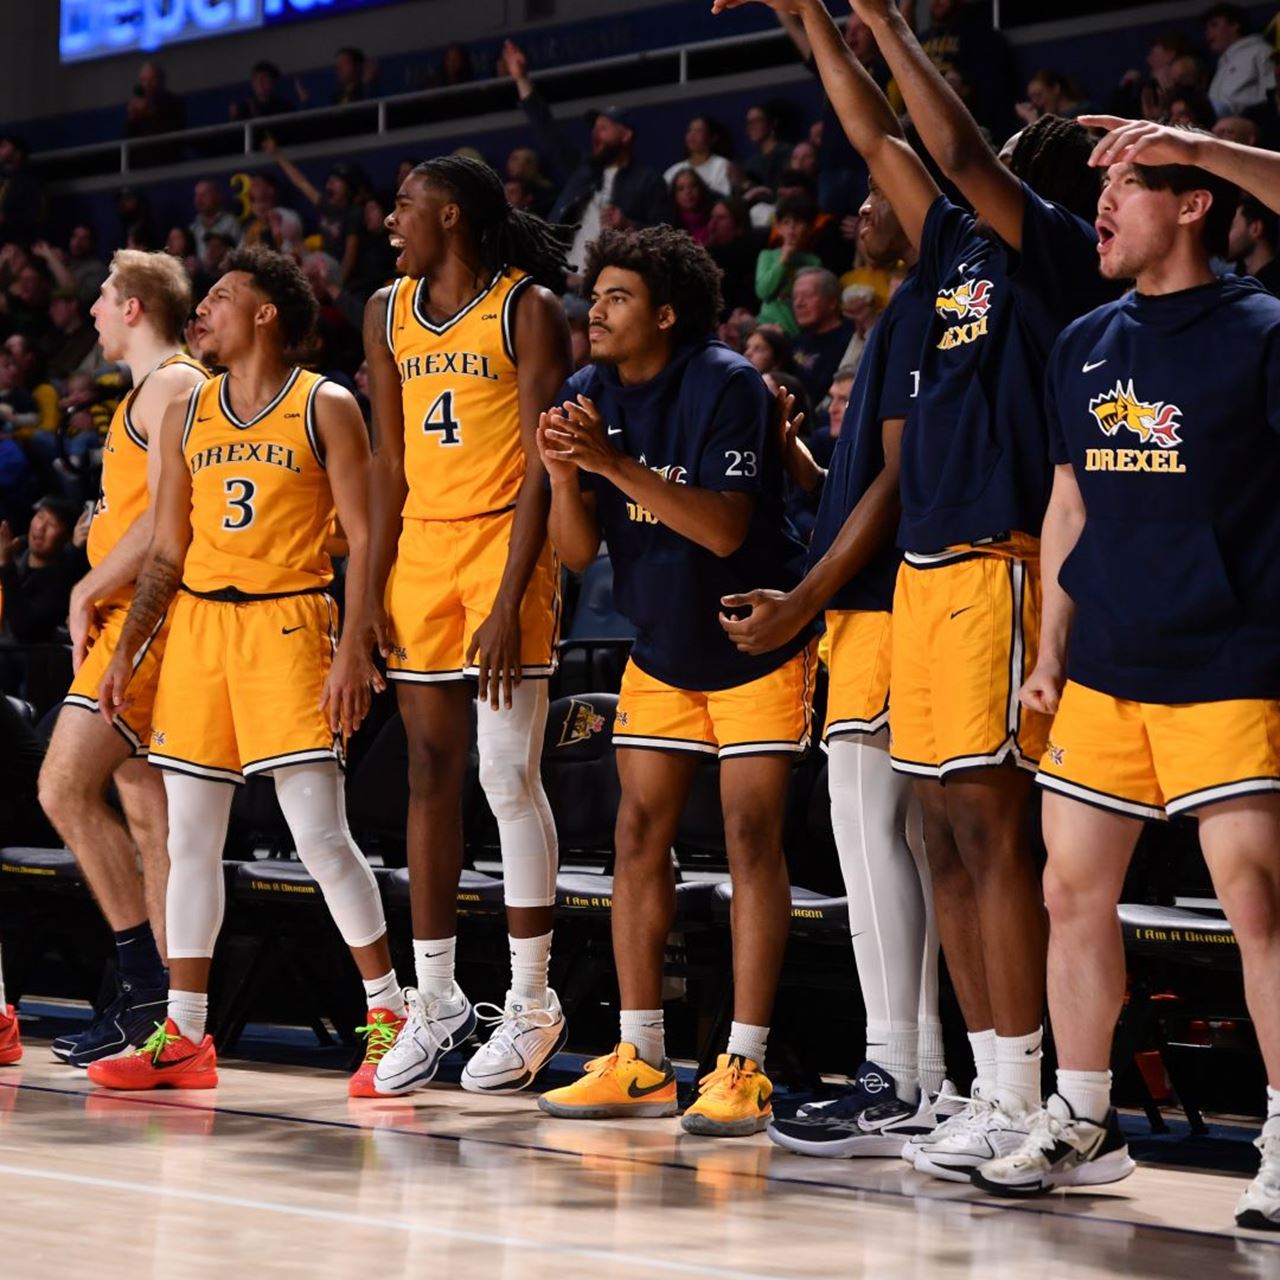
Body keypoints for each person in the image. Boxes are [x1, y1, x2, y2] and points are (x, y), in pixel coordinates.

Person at [715, 0, 1114, 1175]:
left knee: (989, 834)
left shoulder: (1052, 251)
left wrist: (883, 18)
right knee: (942, 831)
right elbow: (882, 143)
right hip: (926, 572)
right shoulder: (950, 245)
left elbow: (945, 149)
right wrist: (815, 31)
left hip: (998, 558)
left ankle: (1033, 1093)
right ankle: (984, 1088)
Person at [973, 119, 1280, 1236]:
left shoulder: (1259, 327)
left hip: (1226, 658)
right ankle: (1084, 1116)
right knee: (1068, 893)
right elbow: (1068, 502)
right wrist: (1046, 655)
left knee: (1253, 898)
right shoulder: (1084, 340)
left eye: (1126, 188)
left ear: (1193, 202)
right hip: (1103, 660)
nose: (1096, 208)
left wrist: (1196, 140)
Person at [86, 247, 404, 1095]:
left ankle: (391, 1013)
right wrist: (128, 651)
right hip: (197, 629)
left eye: (221, 298)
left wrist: (354, 646)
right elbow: (164, 551)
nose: (204, 312)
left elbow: (368, 539)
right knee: (190, 838)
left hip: (289, 622)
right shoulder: (190, 415)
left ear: (266, 313)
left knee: (319, 834)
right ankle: (184, 1035)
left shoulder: (325, 403)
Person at [534, 225, 814, 1136]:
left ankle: (745, 1063)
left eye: (616, 298)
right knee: (635, 834)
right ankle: (643, 1057)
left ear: (664, 313)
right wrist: (563, 477)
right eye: (595, 295)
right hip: (659, 646)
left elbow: (726, 530)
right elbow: (578, 556)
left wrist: (611, 463)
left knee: (748, 836)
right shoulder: (586, 393)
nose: (595, 312)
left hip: (753, 642)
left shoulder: (726, 382)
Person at [722, 169, 952, 1159]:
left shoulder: (918, 312)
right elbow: (860, 486)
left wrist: (804, 599)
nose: (856, 213)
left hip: (889, 605)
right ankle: (922, 1073)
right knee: (887, 846)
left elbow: (900, 489)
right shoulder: (893, 321)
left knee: (878, 842)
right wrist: (799, 460)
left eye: (874, 197)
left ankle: (898, 1069)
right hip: (868, 612)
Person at [365, 156, 572, 1097]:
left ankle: (532, 999)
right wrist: (366, 590)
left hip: (502, 552)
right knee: (426, 774)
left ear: (449, 215)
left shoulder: (525, 308)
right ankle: (439, 998)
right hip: (418, 554)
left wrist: (505, 598)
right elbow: (387, 465)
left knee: (504, 771)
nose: (389, 221)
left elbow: (543, 466)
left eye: (402, 206)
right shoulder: (386, 312)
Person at [35, 252, 207, 1067]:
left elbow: (172, 517)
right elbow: (135, 512)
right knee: (149, 816)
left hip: (146, 623)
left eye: (102, 298)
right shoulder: (149, 393)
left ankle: (142, 986)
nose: (94, 312)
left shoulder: (173, 385)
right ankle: (168, 1014)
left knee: (63, 785)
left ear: (134, 307)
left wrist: (87, 585)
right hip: (136, 618)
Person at [500, 40, 669, 271]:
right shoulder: (584, 168)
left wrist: (629, 225)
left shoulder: (648, 180)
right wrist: (521, 79)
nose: (595, 134)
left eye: (604, 128)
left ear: (626, 135)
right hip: (559, 279)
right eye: (594, 129)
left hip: (607, 286)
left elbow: (666, 237)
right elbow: (547, 130)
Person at [0, 497, 80, 643]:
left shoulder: (61, 583)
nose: (40, 527)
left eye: (52, 524)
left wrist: (5, 565)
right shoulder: (17, 549)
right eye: (40, 516)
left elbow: (22, 628)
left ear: (67, 538)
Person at [754, 193, 823, 335]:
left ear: (810, 228)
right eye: (786, 222)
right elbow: (763, 292)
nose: (791, 228)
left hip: (797, 331)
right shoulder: (767, 256)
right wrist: (783, 261)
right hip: (767, 325)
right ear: (778, 227)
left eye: (798, 222)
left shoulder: (813, 262)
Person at [791, 266, 856, 404]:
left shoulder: (851, 341)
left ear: (832, 302)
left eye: (807, 296)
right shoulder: (795, 341)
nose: (798, 303)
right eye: (794, 297)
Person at [1204, 3, 1276, 118]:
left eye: (1214, 25)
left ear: (1234, 25)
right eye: (1206, 28)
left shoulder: (1261, 51)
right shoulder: (1222, 63)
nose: (1208, 33)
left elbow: (1273, 96)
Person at [663, 115, 736, 197]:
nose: (692, 135)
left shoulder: (723, 166)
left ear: (713, 138)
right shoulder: (673, 171)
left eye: (699, 131)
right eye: (689, 131)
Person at [1229, 193, 1280, 293]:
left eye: (1230, 227)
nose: (1223, 235)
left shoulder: (1273, 291)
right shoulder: (1237, 278)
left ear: (1255, 228)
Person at [189, 180, 241, 260]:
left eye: (204, 194)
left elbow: (239, 252)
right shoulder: (193, 228)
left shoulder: (231, 223)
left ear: (217, 196)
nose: (199, 199)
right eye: (197, 195)